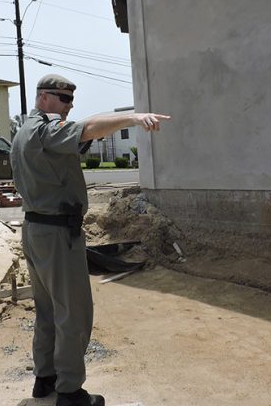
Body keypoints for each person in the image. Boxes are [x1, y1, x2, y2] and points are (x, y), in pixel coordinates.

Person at [10, 74, 171, 406]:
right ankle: (69, 390)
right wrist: (133, 117)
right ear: (43, 98)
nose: (69, 106)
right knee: (74, 311)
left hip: (36, 229)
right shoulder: (44, 130)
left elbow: (77, 138)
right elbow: (88, 129)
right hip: (57, 233)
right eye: (63, 100)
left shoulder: (24, 133)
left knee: (47, 309)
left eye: (71, 100)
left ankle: (46, 379)